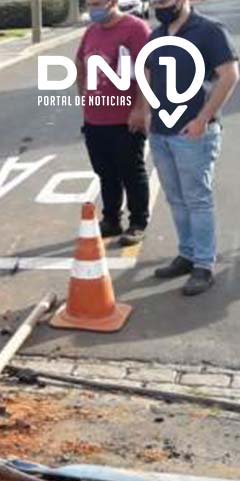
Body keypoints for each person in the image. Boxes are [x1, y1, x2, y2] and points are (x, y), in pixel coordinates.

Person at [143, 0, 238, 295]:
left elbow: (230, 75)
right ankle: (186, 255)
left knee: (197, 199)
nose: (160, 5)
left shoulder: (209, 30)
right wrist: (147, 112)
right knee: (176, 198)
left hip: (194, 134)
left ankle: (203, 265)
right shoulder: (156, 36)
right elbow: (147, 73)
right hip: (161, 133)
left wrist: (203, 118)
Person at [76, 0, 151, 246]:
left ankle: (138, 222)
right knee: (105, 173)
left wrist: (141, 109)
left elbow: (146, 70)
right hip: (95, 119)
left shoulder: (136, 29)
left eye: (98, 3)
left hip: (125, 118)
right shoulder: (91, 31)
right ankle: (111, 220)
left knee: (131, 172)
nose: (93, 8)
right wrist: (84, 97)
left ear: (113, 3)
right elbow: (80, 64)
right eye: (90, 4)